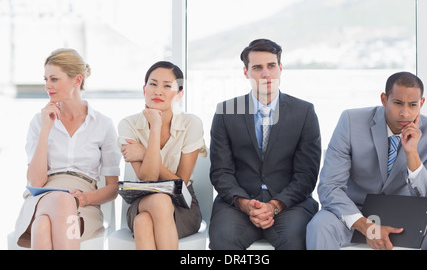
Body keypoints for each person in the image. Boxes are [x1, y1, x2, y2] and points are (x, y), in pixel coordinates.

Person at [307, 71, 427, 250]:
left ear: (421, 103)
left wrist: (412, 154)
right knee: (319, 225)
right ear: (384, 99)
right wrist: (367, 227)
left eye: (412, 105)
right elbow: (329, 186)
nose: (405, 113)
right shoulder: (351, 121)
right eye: (398, 103)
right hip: (355, 213)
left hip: (404, 216)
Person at [208, 38, 321, 250]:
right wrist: (244, 204)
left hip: (290, 204)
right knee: (223, 239)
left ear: (280, 68)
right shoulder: (226, 112)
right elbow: (221, 171)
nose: (266, 74)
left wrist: (275, 205)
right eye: (257, 67)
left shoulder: (304, 112)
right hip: (238, 204)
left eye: (271, 66)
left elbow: (307, 174)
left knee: (296, 240)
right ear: (246, 72)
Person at [14, 48, 121, 249]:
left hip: (84, 203)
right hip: (41, 197)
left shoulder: (103, 124)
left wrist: (85, 198)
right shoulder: (39, 122)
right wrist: (46, 129)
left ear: (77, 80)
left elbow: (113, 188)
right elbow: (36, 181)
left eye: (54, 79)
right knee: (62, 201)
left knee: (42, 226)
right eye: (45, 79)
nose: (47, 86)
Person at [117, 61, 207, 250]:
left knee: (144, 222)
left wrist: (144, 152)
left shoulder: (191, 124)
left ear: (179, 94)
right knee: (156, 202)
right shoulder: (128, 124)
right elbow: (147, 178)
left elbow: (179, 184)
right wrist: (155, 126)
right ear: (144, 89)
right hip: (142, 200)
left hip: (182, 204)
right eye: (153, 84)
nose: (158, 91)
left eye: (167, 86)